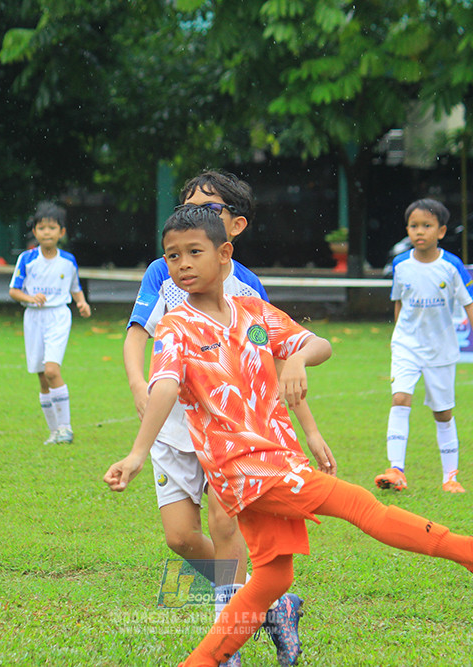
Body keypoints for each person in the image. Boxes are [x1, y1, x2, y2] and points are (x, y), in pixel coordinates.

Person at [104, 205, 473, 666]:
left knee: (272, 579)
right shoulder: (176, 326)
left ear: (224, 254)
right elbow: (164, 386)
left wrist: (297, 358)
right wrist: (137, 453)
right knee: (359, 505)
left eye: (193, 252)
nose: (181, 264)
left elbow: (319, 344)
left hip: (281, 458)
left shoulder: (254, 311)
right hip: (246, 469)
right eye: (172, 255)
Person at [123, 171, 334, 666]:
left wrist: (310, 429)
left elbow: (275, 362)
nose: (192, 216)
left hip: (227, 429)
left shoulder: (248, 288)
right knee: (180, 538)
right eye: (186, 206)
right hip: (172, 425)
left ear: (234, 228)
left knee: (224, 525)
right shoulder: (164, 271)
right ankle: (271, 604)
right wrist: (138, 385)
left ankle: (228, 645)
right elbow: (137, 333)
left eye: (208, 208)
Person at [374, 198, 473, 494]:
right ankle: (396, 470)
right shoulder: (401, 265)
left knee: (442, 412)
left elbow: (470, 304)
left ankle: (450, 477)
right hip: (406, 346)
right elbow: (399, 302)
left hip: (440, 350)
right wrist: (398, 337)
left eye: (426, 226)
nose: (419, 231)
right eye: (414, 226)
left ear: (441, 231)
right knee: (400, 398)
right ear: (407, 230)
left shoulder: (451, 266)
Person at [8, 202, 91, 445]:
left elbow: (75, 287)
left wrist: (82, 302)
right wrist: (30, 298)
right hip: (34, 318)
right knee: (42, 377)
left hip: (58, 316)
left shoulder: (68, 261)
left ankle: (66, 428)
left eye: (52, 228)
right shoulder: (26, 259)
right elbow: (14, 290)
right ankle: (54, 432)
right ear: (35, 232)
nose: (47, 232)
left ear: (61, 232)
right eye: (42, 228)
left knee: (52, 371)